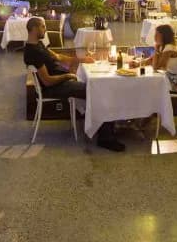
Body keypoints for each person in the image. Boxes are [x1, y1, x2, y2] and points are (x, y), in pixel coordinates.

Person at [23, 17, 125, 152]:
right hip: (54, 87)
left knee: (97, 88)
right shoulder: (33, 52)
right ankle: (105, 138)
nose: (45, 29)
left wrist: (80, 60)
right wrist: (67, 76)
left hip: (61, 82)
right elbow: (47, 81)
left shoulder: (38, 45)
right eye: (43, 26)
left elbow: (58, 57)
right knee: (100, 92)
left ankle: (103, 126)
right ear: (34, 28)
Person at [151, 24, 177, 94]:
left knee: (153, 86)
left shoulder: (169, 48)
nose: (154, 37)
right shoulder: (164, 47)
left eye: (157, 35)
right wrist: (138, 63)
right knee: (154, 83)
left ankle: (160, 103)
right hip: (175, 78)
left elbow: (157, 67)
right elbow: (152, 59)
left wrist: (156, 50)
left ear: (164, 36)